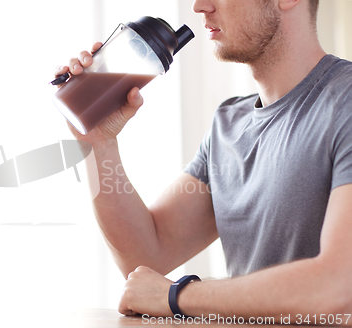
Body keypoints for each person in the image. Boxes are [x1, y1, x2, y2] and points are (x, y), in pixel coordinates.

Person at [55, 0, 352, 322]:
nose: (199, 6)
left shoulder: (345, 102)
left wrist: (177, 295)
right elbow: (144, 256)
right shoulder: (229, 124)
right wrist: (98, 143)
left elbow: (337, 289)